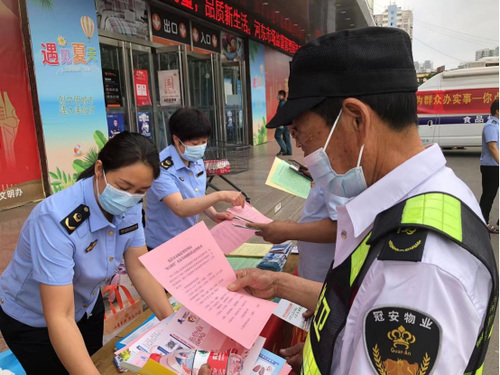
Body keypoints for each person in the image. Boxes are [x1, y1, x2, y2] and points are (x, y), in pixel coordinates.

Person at [225, 28, 498, 374]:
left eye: (303, 134)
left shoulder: (418, 270)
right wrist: (285, 291)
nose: (304, 152)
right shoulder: (423, 199)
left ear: (356, 120)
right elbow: (359, 304)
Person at [0, 132, 175, 375]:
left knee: (96, 363)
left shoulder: (132, 205)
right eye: (124, 187)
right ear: (99, 169)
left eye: (141, 191)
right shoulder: (55, 219)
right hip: (34, 320)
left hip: (86, 305)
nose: (130, 198)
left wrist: (173, 326)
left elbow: (140, 268)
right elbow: (59, 316)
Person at [145, 108, 245, 250]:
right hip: (163, 245)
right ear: (176, 139)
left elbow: (196, 194)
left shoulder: (195, 159)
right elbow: (180, 207)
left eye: (204, 142)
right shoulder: (161, 168)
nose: (200, 147)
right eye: (194, 144)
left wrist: (214, 214)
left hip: (188, 239)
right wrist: (220, 195)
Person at [479, 98, 499, 233]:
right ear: (497, 111)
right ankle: (482, 223)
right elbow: (492, 147)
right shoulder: (491, 125)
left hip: (495, 165)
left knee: (489, 194)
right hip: (491, 166)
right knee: (488, 196)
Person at [274, 90, 293, 156]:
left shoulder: (282, 104)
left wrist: (280, 123)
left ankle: (284, 149)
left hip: (282, 123)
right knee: (286, 137)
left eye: (279, 95)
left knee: (277, 136)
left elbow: (281, 114)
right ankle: (289, 151)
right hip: (287, 123)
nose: (278, 96)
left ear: (282, 95)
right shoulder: (286, 103)